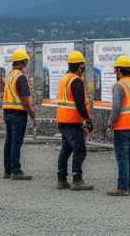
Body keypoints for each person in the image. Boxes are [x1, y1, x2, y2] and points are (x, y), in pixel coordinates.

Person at [55, 51, 94, 190]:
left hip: (63, 121)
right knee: (80, 150)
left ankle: (62, 179)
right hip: (72, 122)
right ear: (80, 67)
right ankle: (77, 180)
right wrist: (88, 120)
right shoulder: (76, 81)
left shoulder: (64, 79)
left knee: (65, 150)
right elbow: (80, 103)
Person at [106, 56, 130, 196]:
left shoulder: (119, 85)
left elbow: (116, 106)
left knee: (122, 156)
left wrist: (111, 121)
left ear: (119, 71)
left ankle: (122, 187)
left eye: (116, 71)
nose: (115, 74)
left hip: (123, 125)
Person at [1, 49, 36, 180]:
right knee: (16, 142)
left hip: (7, 112)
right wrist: (32, 114)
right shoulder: (20, 77)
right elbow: (24, 98)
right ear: (24, 63)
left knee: (9, 141)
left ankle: (7, 170)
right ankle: (16, 170)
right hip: (18, 113)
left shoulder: (11, 75)